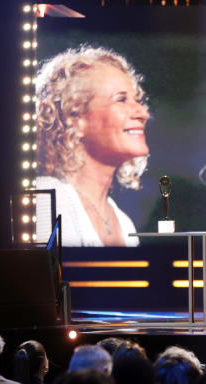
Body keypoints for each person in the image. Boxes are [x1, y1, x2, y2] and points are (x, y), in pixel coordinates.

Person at [33, 45, 151, 247]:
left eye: (137, 100)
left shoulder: (124, 223)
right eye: (121, 99)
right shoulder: (48, 198)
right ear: (75, 118)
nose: (142, 112)